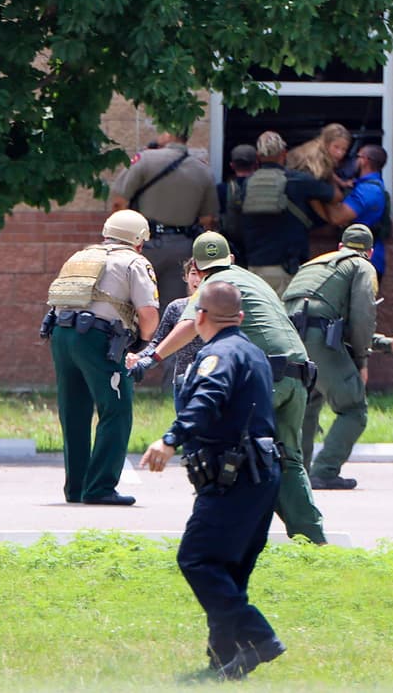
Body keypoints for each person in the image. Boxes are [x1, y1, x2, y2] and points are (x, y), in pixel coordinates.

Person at [131, 231, 326, 544]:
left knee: (225, 451)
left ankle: (224, 537)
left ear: (198, 265)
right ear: (231, 259)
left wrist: (150, 359)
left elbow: (188, 325)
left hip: (266, 378)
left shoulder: (213, 285)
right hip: (298, 374)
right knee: (287, 459)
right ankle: (313, 540)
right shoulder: (254, 281)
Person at [139, 280, 285, 680]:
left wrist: (170, 439)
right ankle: (223, 661)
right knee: (229, 569)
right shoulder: (252, 352)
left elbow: (207, 400)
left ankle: (258, 636)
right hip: (262, 474)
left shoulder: (216, 356)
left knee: (198, 558)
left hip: (231, 476)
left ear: (200, 316)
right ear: (239, 317)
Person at [44, 209, 160, 506]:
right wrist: (144, 346)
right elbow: (148, 313)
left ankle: (77, 487)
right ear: (138, 240)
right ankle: (100, 488)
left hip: (61, 334)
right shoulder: (134, 261)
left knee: (74, 413)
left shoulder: (80, 257)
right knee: (116, 410)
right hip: (98, 340)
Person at [283, 225, 379, 490]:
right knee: (353, 408)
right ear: (369, 252)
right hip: (318, 338)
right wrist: (361, 359)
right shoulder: (362, 266)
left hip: (289, 336)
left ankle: (295, 471)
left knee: (308, 402)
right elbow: (362, 316)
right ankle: (324, 471)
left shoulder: (313, 264)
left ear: (340, 246)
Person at [110, 127, 217, 309]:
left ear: (169, 134)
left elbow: (119, 202)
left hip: (144, 244)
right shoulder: (202, 170)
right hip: (182, 247)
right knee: (173, 308)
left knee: (133, 306)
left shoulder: (145, 159)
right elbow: (208, 219)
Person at [240, 131, 340, 297]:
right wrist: (330, 173)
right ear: (284, 153)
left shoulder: (247, 184)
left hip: (254, 268)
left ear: (258, 156)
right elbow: (336, 197)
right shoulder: (298, 181)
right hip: (287, 270)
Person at [133, 258, 204, 409]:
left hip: (210, 379)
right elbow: (157, 343)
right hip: (183, 382)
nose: (198, 279)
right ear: (185, 277)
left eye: (203, 274)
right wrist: (138, 357)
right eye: (193, 273)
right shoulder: (176, 307)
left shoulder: (220, 306)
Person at [318, 144, 391, 280]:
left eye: (357, 157)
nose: (353, 161)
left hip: (363, 263)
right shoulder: (364, 185)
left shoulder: (368, 190)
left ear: (365, 160)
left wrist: (323, 190)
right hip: (360, 260)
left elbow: (337, 217)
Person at [217, 144, 258, 268]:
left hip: (231, 246)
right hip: (258, 245)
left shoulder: (222, 189)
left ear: (232, 165)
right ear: (256, 164)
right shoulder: (260, 189)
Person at [287, 122, 353, 184]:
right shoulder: (316, 159)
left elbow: (330, 172)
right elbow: (317, 182)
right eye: (336, 147)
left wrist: (342, 183)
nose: (340, 153)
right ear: (326, 143)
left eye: (344, 149)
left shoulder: (324, 152)